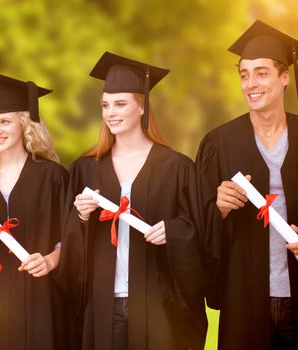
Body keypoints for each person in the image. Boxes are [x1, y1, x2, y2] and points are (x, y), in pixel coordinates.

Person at [196, 20, 298, 350]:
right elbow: (196, 225)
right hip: (244, 300)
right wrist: (219, 209)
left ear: (285, 78)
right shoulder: (218, 143)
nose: (250, 83)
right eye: (244, 74)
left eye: (261, 72)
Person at [61, 51, 207, 350]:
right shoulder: (85, 168)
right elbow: (68, 243)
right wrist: (82, 217)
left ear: (142, 107)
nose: (110, 112)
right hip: (103, 304)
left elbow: (199, 229)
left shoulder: (176, 167)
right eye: (105, 105)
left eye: (120, 104)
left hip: (158, 304)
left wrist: (174, 230)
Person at [0, 73, 69, 350]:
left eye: (5, 121)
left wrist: (52, 260)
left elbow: (71, 238)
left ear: (24, 124)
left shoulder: (52, 176)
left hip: (37, 296)